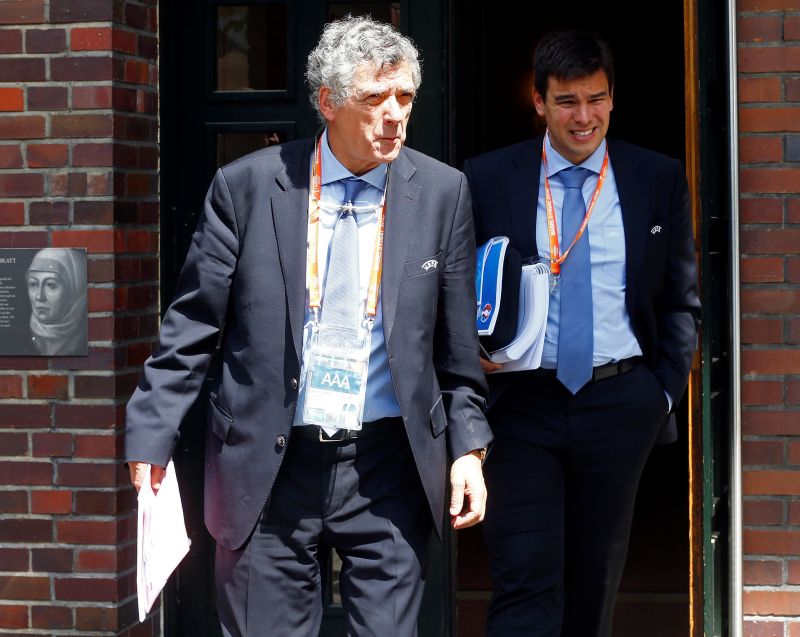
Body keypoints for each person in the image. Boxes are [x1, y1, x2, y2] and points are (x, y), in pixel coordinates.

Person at [125, 15, 492, 637]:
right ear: (327, 103)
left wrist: (470, 449)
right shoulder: (247, 188)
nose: (395, 114)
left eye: (405, 96)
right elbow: (192, 326)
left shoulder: (440, 192)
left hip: (388, 464)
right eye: (374, 98)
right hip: (268, 464)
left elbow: (456, 350)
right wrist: (151, 434)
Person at [463, 30, 701, 636]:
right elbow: (457, 286)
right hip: (521, 404)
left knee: (595, 579)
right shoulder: (487, 178)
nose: (584, 116)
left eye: (596, 99)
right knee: (523, 574)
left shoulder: (656, 177)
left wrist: (662, 393)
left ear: (613, 99)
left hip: (619, 401)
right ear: (538, 102)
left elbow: (680, 299)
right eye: (567, 101)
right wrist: (473, 353)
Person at [26, 247, 88, 356]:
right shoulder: (20, 337)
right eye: (33, 284)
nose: (39, 296)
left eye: (51, 285)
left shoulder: (85, 337)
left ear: (74, 291)